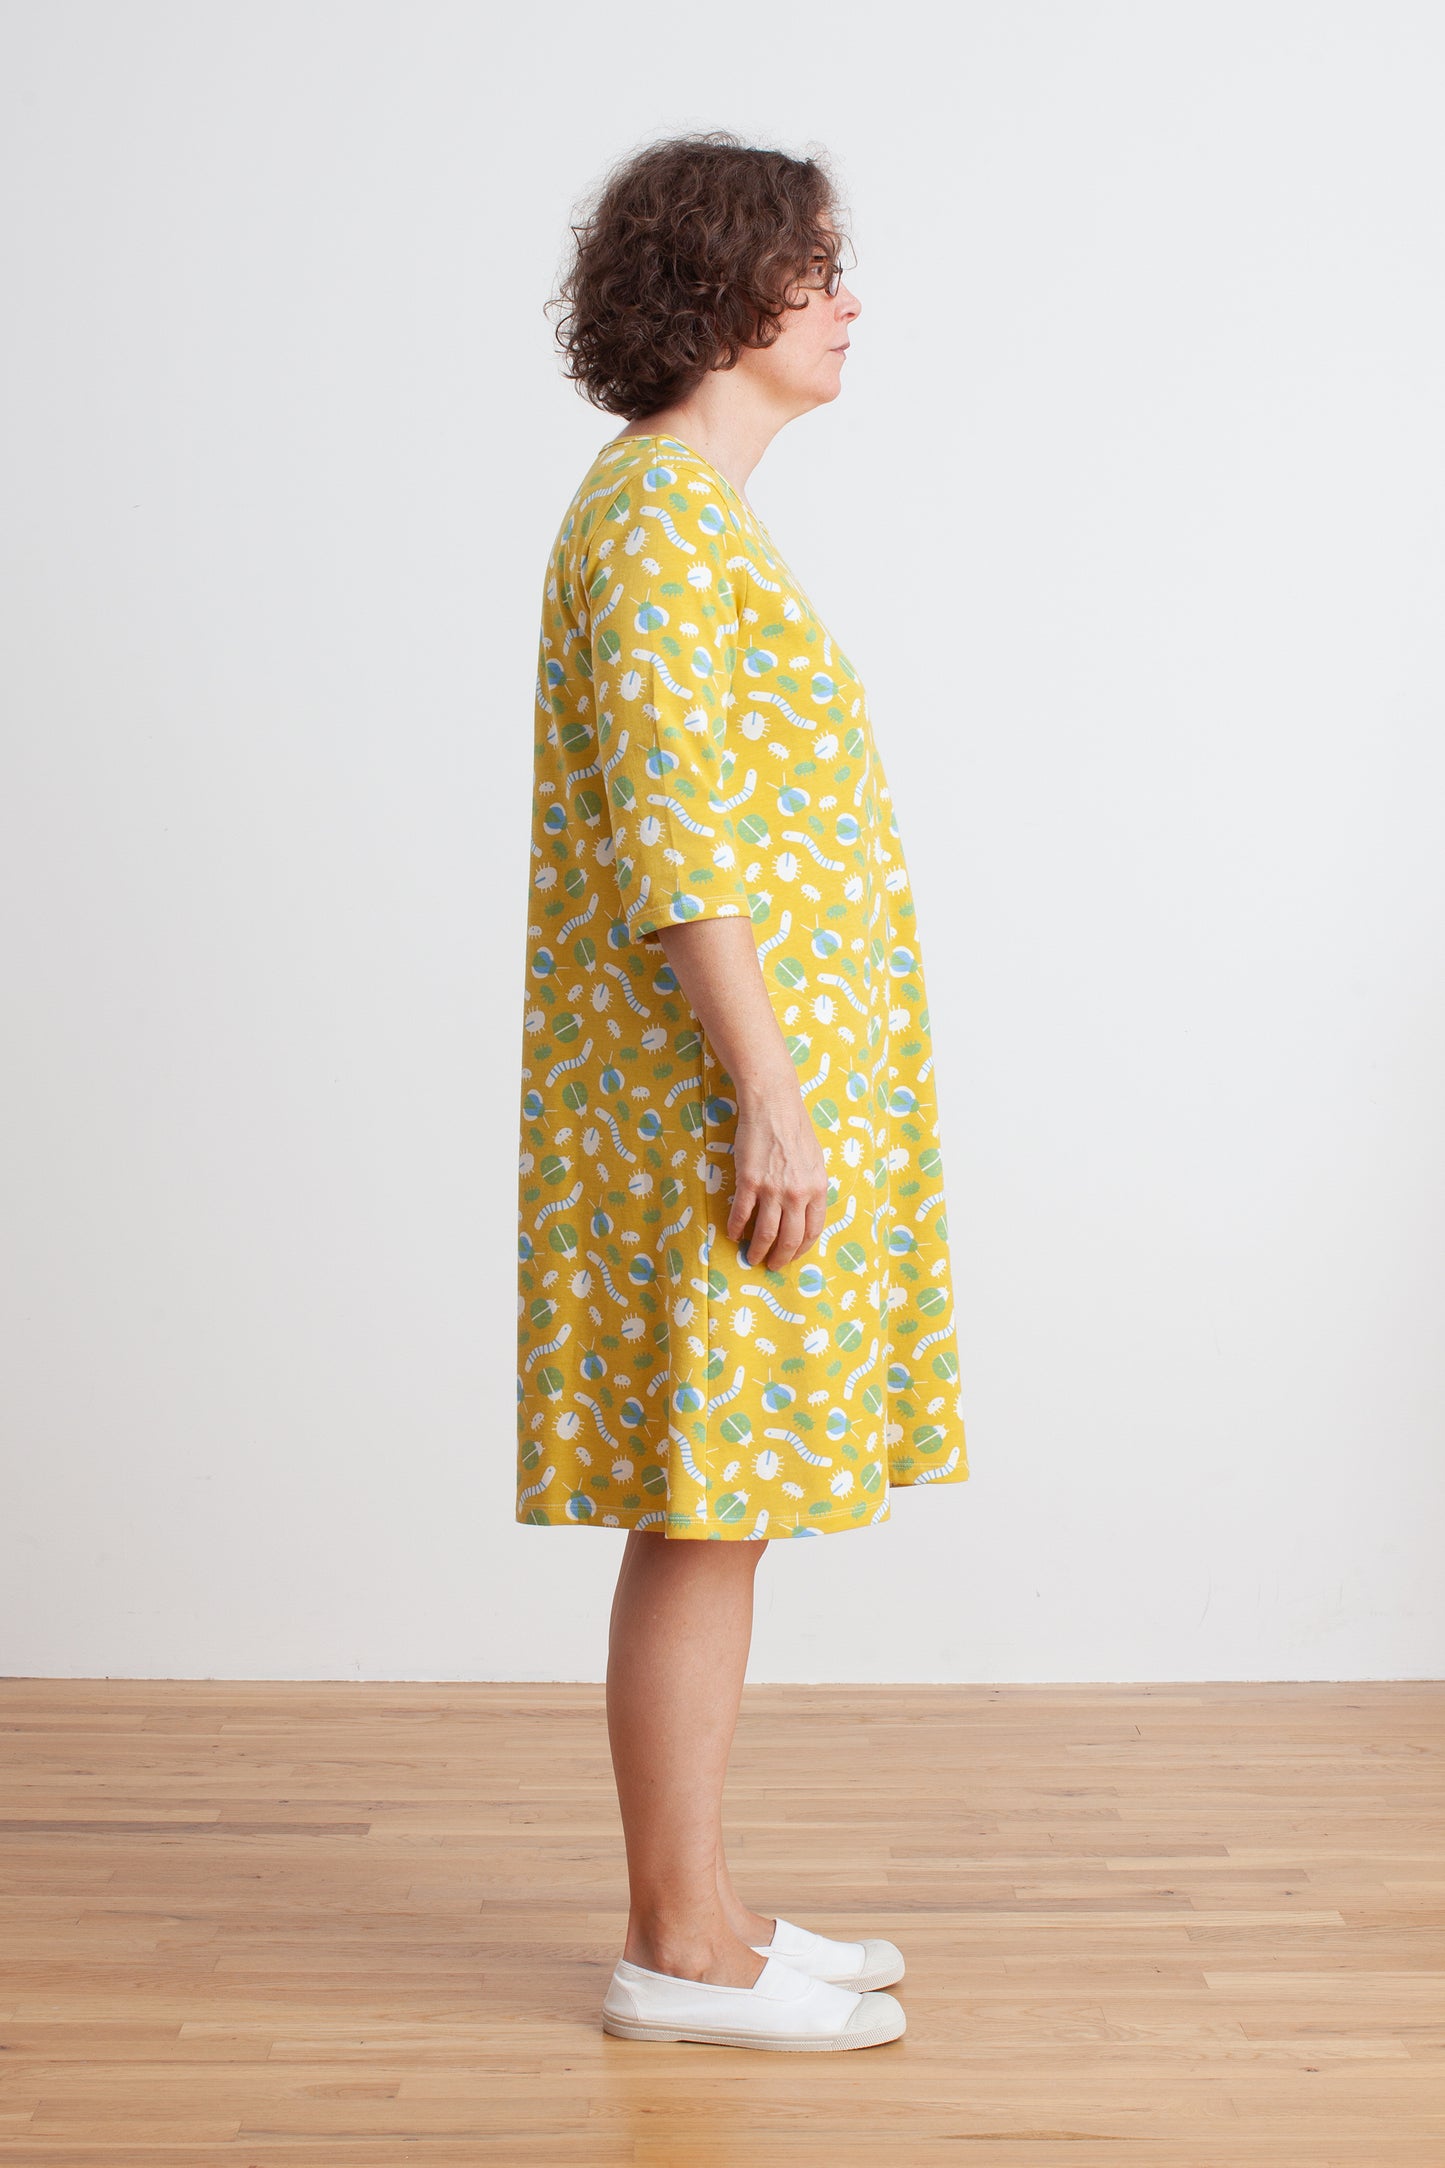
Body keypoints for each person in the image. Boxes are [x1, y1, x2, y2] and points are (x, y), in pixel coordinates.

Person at [515, 131, 968, 2051]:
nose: (850, 299)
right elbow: (680, 842)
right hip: (707, 1109)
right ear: (721, 287)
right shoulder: (649, 519)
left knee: (726, 1512)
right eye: (816, 265)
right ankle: (672, 1953)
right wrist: (770, 1100)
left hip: (737, 1098)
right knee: (702, 1511)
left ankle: (702, 1911)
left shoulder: (694, 516)